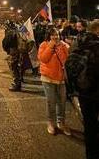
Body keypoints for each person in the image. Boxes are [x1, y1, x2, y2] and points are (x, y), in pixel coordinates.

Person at [66, 20, 99, 159]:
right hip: (96, 91)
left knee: (89, 125)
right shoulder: (96, 46)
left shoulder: (76, 42)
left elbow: (69, 65)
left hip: (82, 91)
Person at [38, 27, 71, 136]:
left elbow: (66, 60)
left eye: (57, 34)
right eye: (53, 35)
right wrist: (51, 47)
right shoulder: (43, 45)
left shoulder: (62, 45)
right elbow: (43, 58)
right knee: (51, 102)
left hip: (61, 79)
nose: (55, 37)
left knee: (62, 102)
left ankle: (61, 122)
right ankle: (51, 123)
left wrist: (65, 47)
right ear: (49, 36)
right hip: (48, 78)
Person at [2, 21, 22, 91]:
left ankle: (16, 85)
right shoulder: (17, 31)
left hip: (13, 51)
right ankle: (18, 82)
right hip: (18, 51)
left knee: (13, 68)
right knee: (17, 67)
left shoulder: (10, 33)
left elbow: (6, 43)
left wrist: (6, 49)